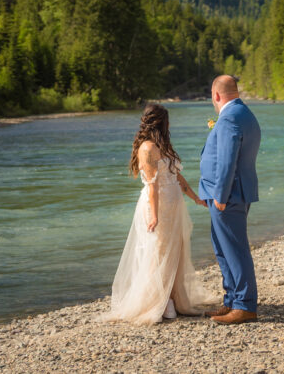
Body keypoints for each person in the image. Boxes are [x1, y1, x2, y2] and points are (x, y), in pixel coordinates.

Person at [100, 103, 216, 324]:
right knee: (158, 252)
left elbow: (176, 176)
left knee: (175, 251)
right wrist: (154, 215)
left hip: (174, 204)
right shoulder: (146, 148)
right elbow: (152, 186)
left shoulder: (163, 145)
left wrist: (194, 197)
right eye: (168, 120)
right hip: (157, 206)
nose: (170, 124)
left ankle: (172, 297)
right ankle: (157, 302)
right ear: (160, 122)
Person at [199, 75, 261, 325]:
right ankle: (232, 299)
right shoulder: (244, 113)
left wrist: (221, 197)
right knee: (223, 248)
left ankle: (245, 305)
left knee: (234, 249)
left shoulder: (229, 117)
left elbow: (227, 160)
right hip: (233, 192)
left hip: (227, 194)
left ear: (216, 95)